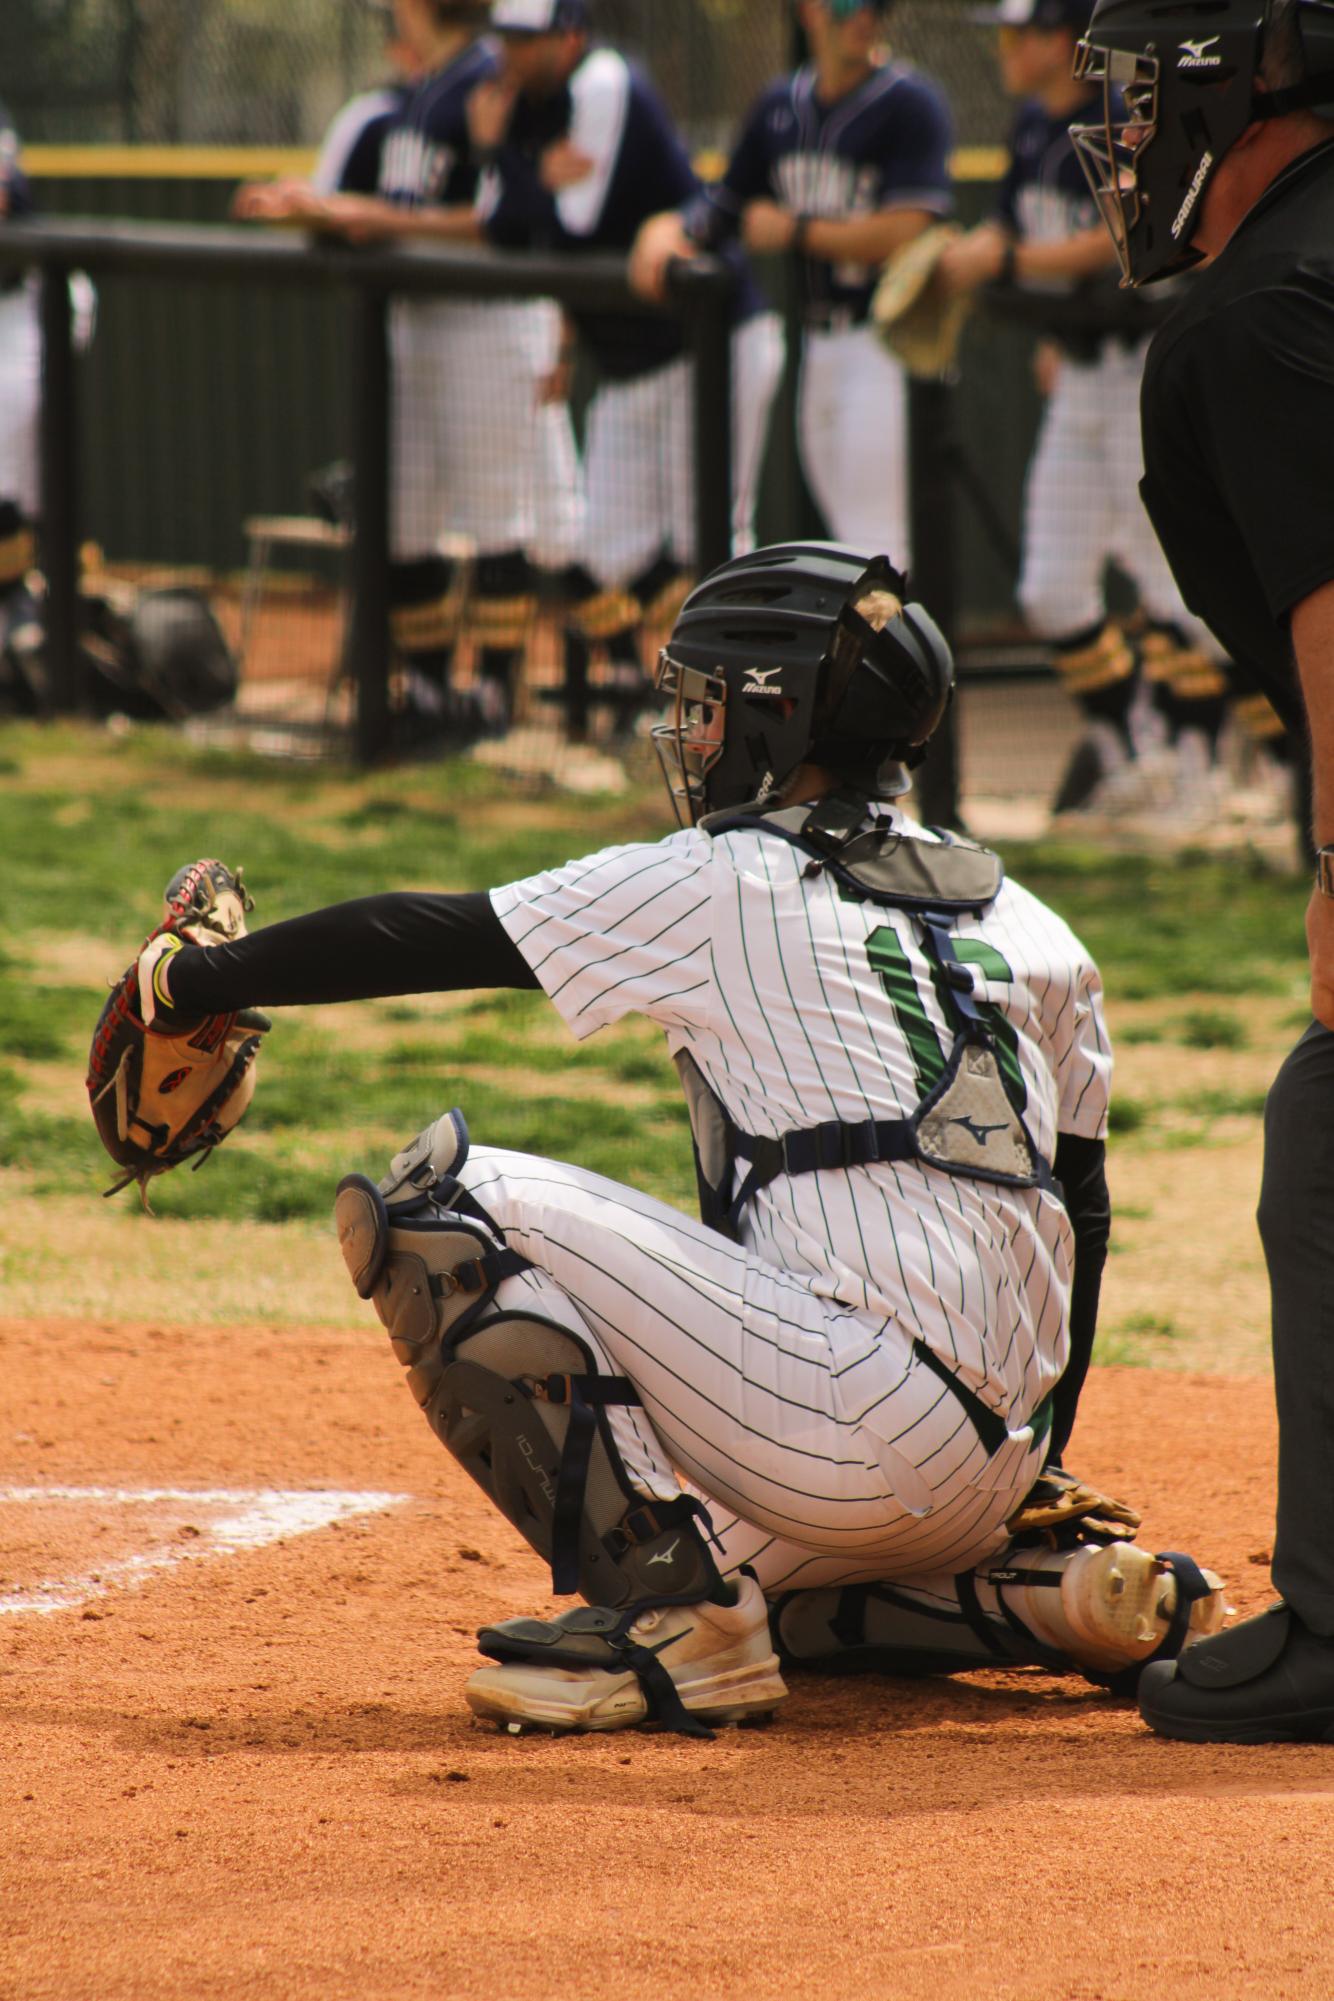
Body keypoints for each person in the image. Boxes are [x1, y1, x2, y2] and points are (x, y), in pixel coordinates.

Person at [119, 542, 1225, 1736]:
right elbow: (1083, 1209)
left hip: (849, 1429)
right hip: (992, 1456)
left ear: (774, 716)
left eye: (701, 705)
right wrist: (1034, 1447)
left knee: (444, 1203)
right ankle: (1041, 1595)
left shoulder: (730, 879)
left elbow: (432, 934)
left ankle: (675, 1626)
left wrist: (197, 978)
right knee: (778, 1588)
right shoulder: (1033, 922)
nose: (684, 734)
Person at [1071, 0, 1334, 1742]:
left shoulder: (1251, 319)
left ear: (1235, 71)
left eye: (1130, 72)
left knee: (1322, 1142)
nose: (1104, 113)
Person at [235, 0, 581, 736]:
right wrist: (319, 206)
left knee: (498, 520)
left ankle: (488, 700)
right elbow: (407, 204)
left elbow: (498, 224)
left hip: (486, 317)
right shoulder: (429, 87)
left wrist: (362, 219)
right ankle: (426, 697)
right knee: (403, 519)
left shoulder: (492, 78)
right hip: (417, 318)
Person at [936, 0, 1234, 826]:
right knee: (1052, 586)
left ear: (1063, 43)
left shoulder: (1124, 116)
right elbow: (1007, 227)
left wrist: (1009, 259)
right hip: (1075, 375)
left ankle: (1200, 770)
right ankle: (1129, 758)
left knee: (1175, 587)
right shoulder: (1034, 127)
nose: (1004, 49)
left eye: (1017, 33)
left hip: (1137, 367)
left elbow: (1125, 237)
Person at [472, 0, 785, 710]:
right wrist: (514, 160)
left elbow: (571, 228)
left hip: (712, 342)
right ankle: (681, 695)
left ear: (571, 36)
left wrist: (514, 166)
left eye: (527, 38)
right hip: (632, 360)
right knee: (599, 553)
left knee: (711, 541)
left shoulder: (607, 83)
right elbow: (505, 228)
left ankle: (753, 710)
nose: (510, 54)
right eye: (505, 37)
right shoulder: (517, 106)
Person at [630, 0, 953, 564]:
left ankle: (901, 653)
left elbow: (911, 228)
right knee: (851, 541)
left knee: (877, 545)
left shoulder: (910, 102)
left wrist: (798, 230)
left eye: (877, 6)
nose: (864, 17)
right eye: (849, 4)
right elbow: (721, 209)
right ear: (810, 9)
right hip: (819, 348)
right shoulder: (782, 103)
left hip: (886, 345)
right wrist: (665, 228)